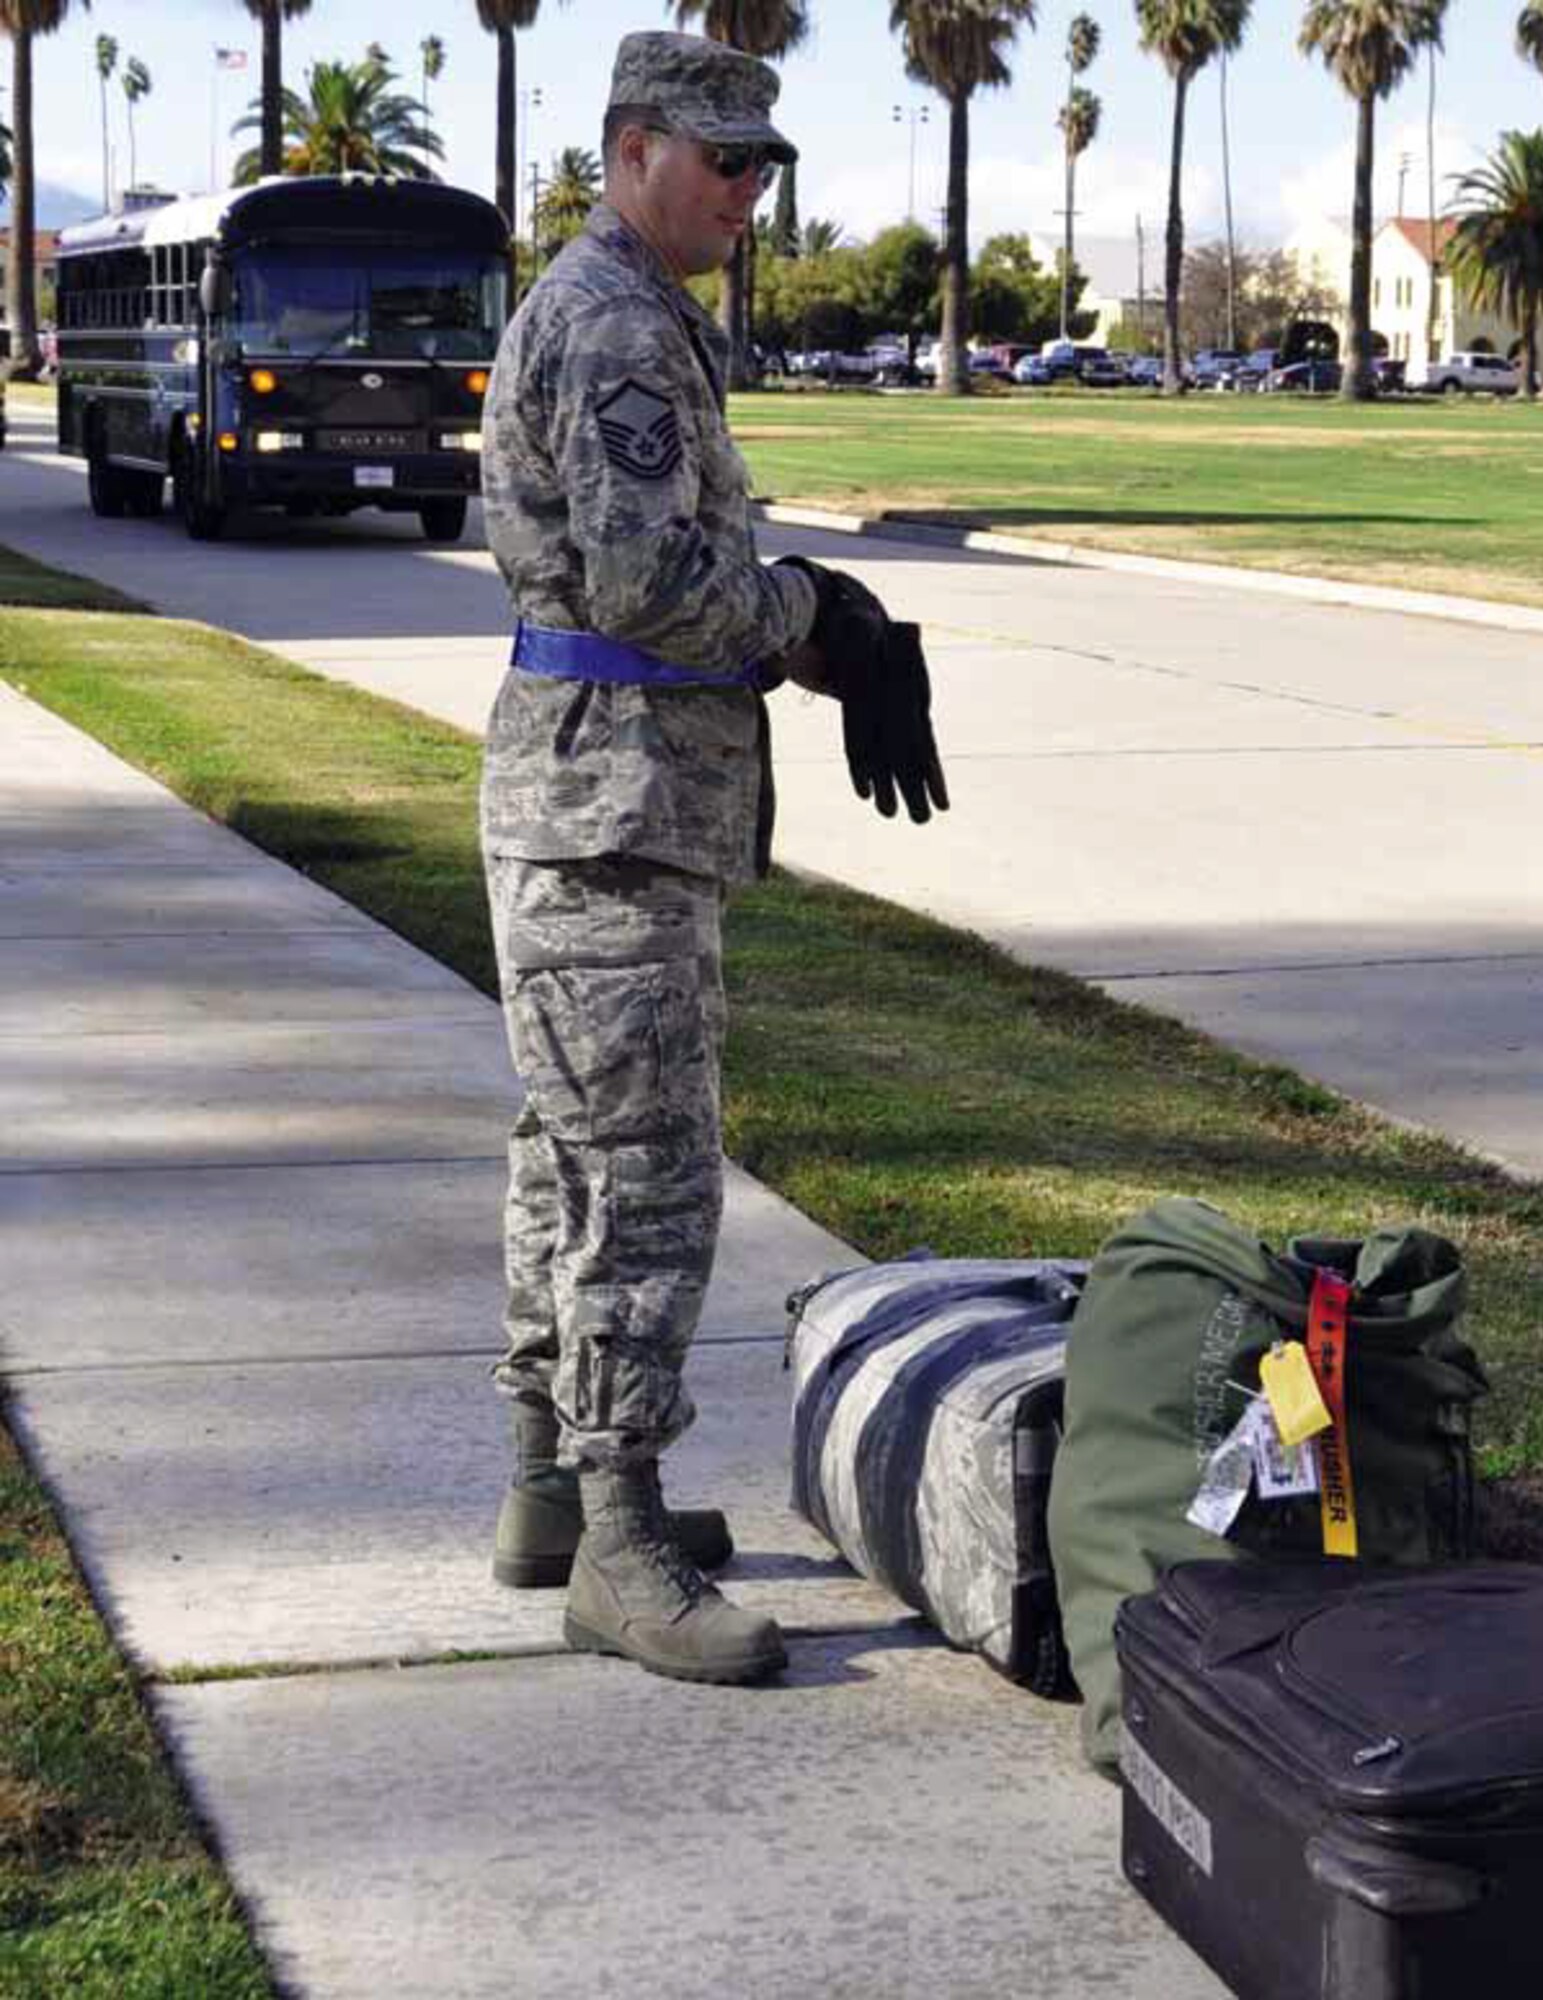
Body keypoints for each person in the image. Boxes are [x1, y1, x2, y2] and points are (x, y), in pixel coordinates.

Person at [479, 29, 946, 1686]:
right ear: (631, 151)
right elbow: (651, 588)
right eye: (722, 160)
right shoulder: (611, 321)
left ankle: (555, 1489)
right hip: (610, 813)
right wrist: (817, 615)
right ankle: (615, 1535)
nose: (750, 192)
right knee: (643, 1174)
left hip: (609, 802)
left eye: (766, 166)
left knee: (569, 1152)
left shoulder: (631, 307)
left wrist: (806, 611)